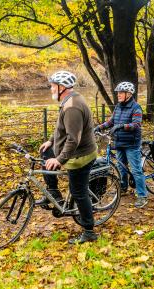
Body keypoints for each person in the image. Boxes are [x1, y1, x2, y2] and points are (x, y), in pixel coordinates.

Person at [36, 70, 99, 244]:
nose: (50, 89)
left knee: (79, 192)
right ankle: (54, 193)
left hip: (81, 155)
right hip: (72, 150)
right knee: (45, 152)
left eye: (52, 86)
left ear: (62, 87)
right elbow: (60, 129)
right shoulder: (68, 100)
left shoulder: (72, 107)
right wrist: (50, 141)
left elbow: (73, 139)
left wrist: (59, 160)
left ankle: (89, 231)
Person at [94, 81, 148, 208]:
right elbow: (111, 121)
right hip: (119, 142)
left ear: (128, 94)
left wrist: (122, 126)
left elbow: (136, 124)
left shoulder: (136, 108)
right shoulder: (118, 107)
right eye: (117, 93)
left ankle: (142, 196)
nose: (118, 95)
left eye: (121, 93)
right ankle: (123, 188)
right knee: (121, 167)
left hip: (131, 143)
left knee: (136, 170)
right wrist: (99, 127)